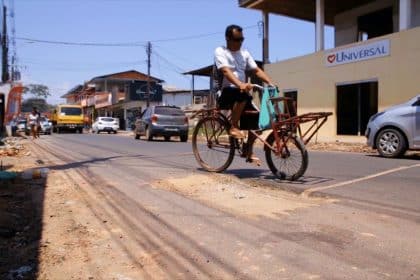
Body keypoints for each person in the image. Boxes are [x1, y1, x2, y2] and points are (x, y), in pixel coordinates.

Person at [214, 24, 275, 164]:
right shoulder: (220, 51)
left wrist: (270, 82)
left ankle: (248, 149)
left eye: (242, 39)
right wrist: (240, 84)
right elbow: (225, 71)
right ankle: (233, 126)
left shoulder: (245, 53)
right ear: (227, 39)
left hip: (241, 91)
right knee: (242, 93)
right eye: (237, 39)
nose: (240, 42)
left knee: (259, 122)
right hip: (225, 91)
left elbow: (256, 70)